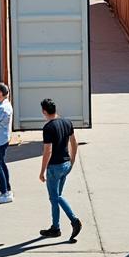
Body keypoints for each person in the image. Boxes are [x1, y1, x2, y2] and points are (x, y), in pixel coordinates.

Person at [38, 98, 83, 242]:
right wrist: (72, 161)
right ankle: (55, 228)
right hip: (65, 165)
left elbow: (48, 151)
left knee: (56, 197)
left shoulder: (48, 128)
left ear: (44, 111)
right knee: (56, 197)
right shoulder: (67, 122)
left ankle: (74, 220)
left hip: (54, 168)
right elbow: (74, 144)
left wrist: (42, 171)